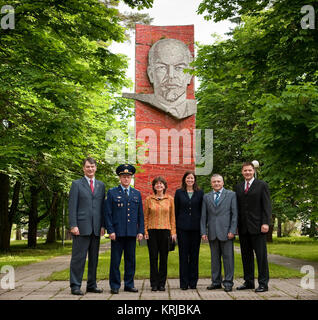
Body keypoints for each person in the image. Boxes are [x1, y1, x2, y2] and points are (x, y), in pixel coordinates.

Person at [123, 38, 196, 120]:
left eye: (179, 68)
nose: (171, 75)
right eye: (162, 67)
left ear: (189, 75)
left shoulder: (192, 107)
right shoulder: (143, 101)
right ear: (151, 74)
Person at [104, 164, 144, 294]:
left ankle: (129, 284)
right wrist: (110, 230)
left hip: (132, 233)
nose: (126, 179)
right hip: (117, 233)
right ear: (120, 178)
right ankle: (115, 285)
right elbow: (108, 213)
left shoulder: (136, 193)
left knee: (130, 260)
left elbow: (140, 215)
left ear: (131, 178)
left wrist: (140, 231)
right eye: (123, 176)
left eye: (128, 176)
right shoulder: (112, 192)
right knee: (115, 261)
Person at [69, 157, 105, 295]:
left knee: (94, 259)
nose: (90, 169)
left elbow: (102, 207)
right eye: (88, 167)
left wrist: (103, 225)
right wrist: (73, 225)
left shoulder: (101, 186)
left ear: (96, 168)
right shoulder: (76, 184)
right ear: (83, 168)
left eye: (92, 166)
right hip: (81, 228)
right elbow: (72, 207)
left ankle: (91, 285)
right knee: (78, 258)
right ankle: (75, 285)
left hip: (96, 228)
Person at [235, 162, 272, 293]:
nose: (247, 173)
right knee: (246, 256)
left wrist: (266, 222)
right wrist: (236, 226)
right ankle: (249, 282)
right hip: (243, 228)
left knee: (261, 257)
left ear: (253, 171)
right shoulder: (238, 187)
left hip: (258, 227)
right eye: (245, 171)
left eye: (249, 170)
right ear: (242, 172)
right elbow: (238, 208)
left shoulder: (262, 185)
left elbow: (266, 206)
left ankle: (263, 283)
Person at [201, 174, 238, 292]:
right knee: (214, 259)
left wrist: (232, 230)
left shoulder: (231, 195)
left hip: (227, 232)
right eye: (214, 182)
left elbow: (234, 215)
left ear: (223, 182)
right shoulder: (206, 197)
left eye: (218, 181)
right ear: (211, 183)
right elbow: (203, 216)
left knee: (228, 259)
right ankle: (216, 282)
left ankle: (228, 283)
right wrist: (203, 232)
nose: (216, 183)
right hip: (212, 232)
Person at [144, 176, 176, 291]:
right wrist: (145, 231)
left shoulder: (170, 199)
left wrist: (173, 232)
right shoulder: (149, 199)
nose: (159, 185)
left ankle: (162, 283)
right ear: (153, 186)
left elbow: (173, 217)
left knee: (164, 258)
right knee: (153, 258)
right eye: (156, 184)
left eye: (161, 184)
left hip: (165, 231)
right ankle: (154, 283)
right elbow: (145, 217)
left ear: (164, 186)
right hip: (152, 231)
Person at [174, 171, 204, 290]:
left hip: (196, 229)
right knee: (183, 256)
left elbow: (203, 212)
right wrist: (175, 229)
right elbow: (176, 211)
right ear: (184, 180)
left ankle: (193, 283)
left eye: (192, 178)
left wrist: (203, 229)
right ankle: (183, 283)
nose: (190, 180)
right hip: (182, 229)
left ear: (194, 180)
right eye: (188, 178)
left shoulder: (200, 193)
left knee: (194, 256)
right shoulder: (179, 192)